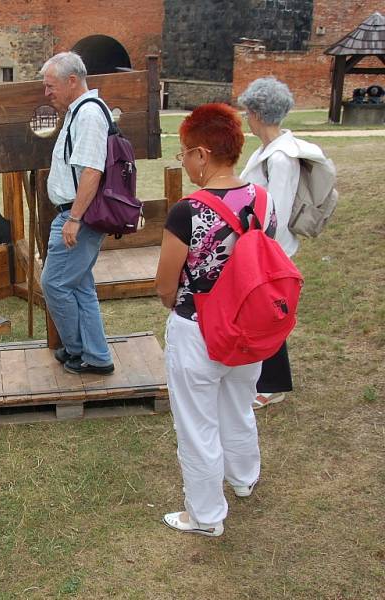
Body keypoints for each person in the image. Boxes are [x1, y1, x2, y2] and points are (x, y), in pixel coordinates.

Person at [155, 103, 276, 537]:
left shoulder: (186, 211)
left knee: (196, 423)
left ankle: (205, 516)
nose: (183, 161)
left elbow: (166, 284)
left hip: (198, 328)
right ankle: (243, 478)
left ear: (203, 154)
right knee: (239, 406)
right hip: (251, 325)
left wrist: (176, 304)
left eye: (185, 152)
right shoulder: (263, 199)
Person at [40, 51, 114, 375]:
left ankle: (78, 350)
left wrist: (74, 219)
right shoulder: (78, 112)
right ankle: (96, 355)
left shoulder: (87, 115)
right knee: (80, 286)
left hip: (76, 217)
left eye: (50, 85)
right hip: (73, 214)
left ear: (72, 81)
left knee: (54, 284)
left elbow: (92, 171)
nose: (47, 93)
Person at [238, 77, 299, 410]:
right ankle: (263, 378)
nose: (247, 118)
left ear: (258, 113)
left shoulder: (280, 158)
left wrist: (259, 249)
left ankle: (271, 384)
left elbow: (278, 209)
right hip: (259, 245)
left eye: (248, 112)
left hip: (269, 250)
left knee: (268, 315)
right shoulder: (268, 151)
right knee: (260, 315)